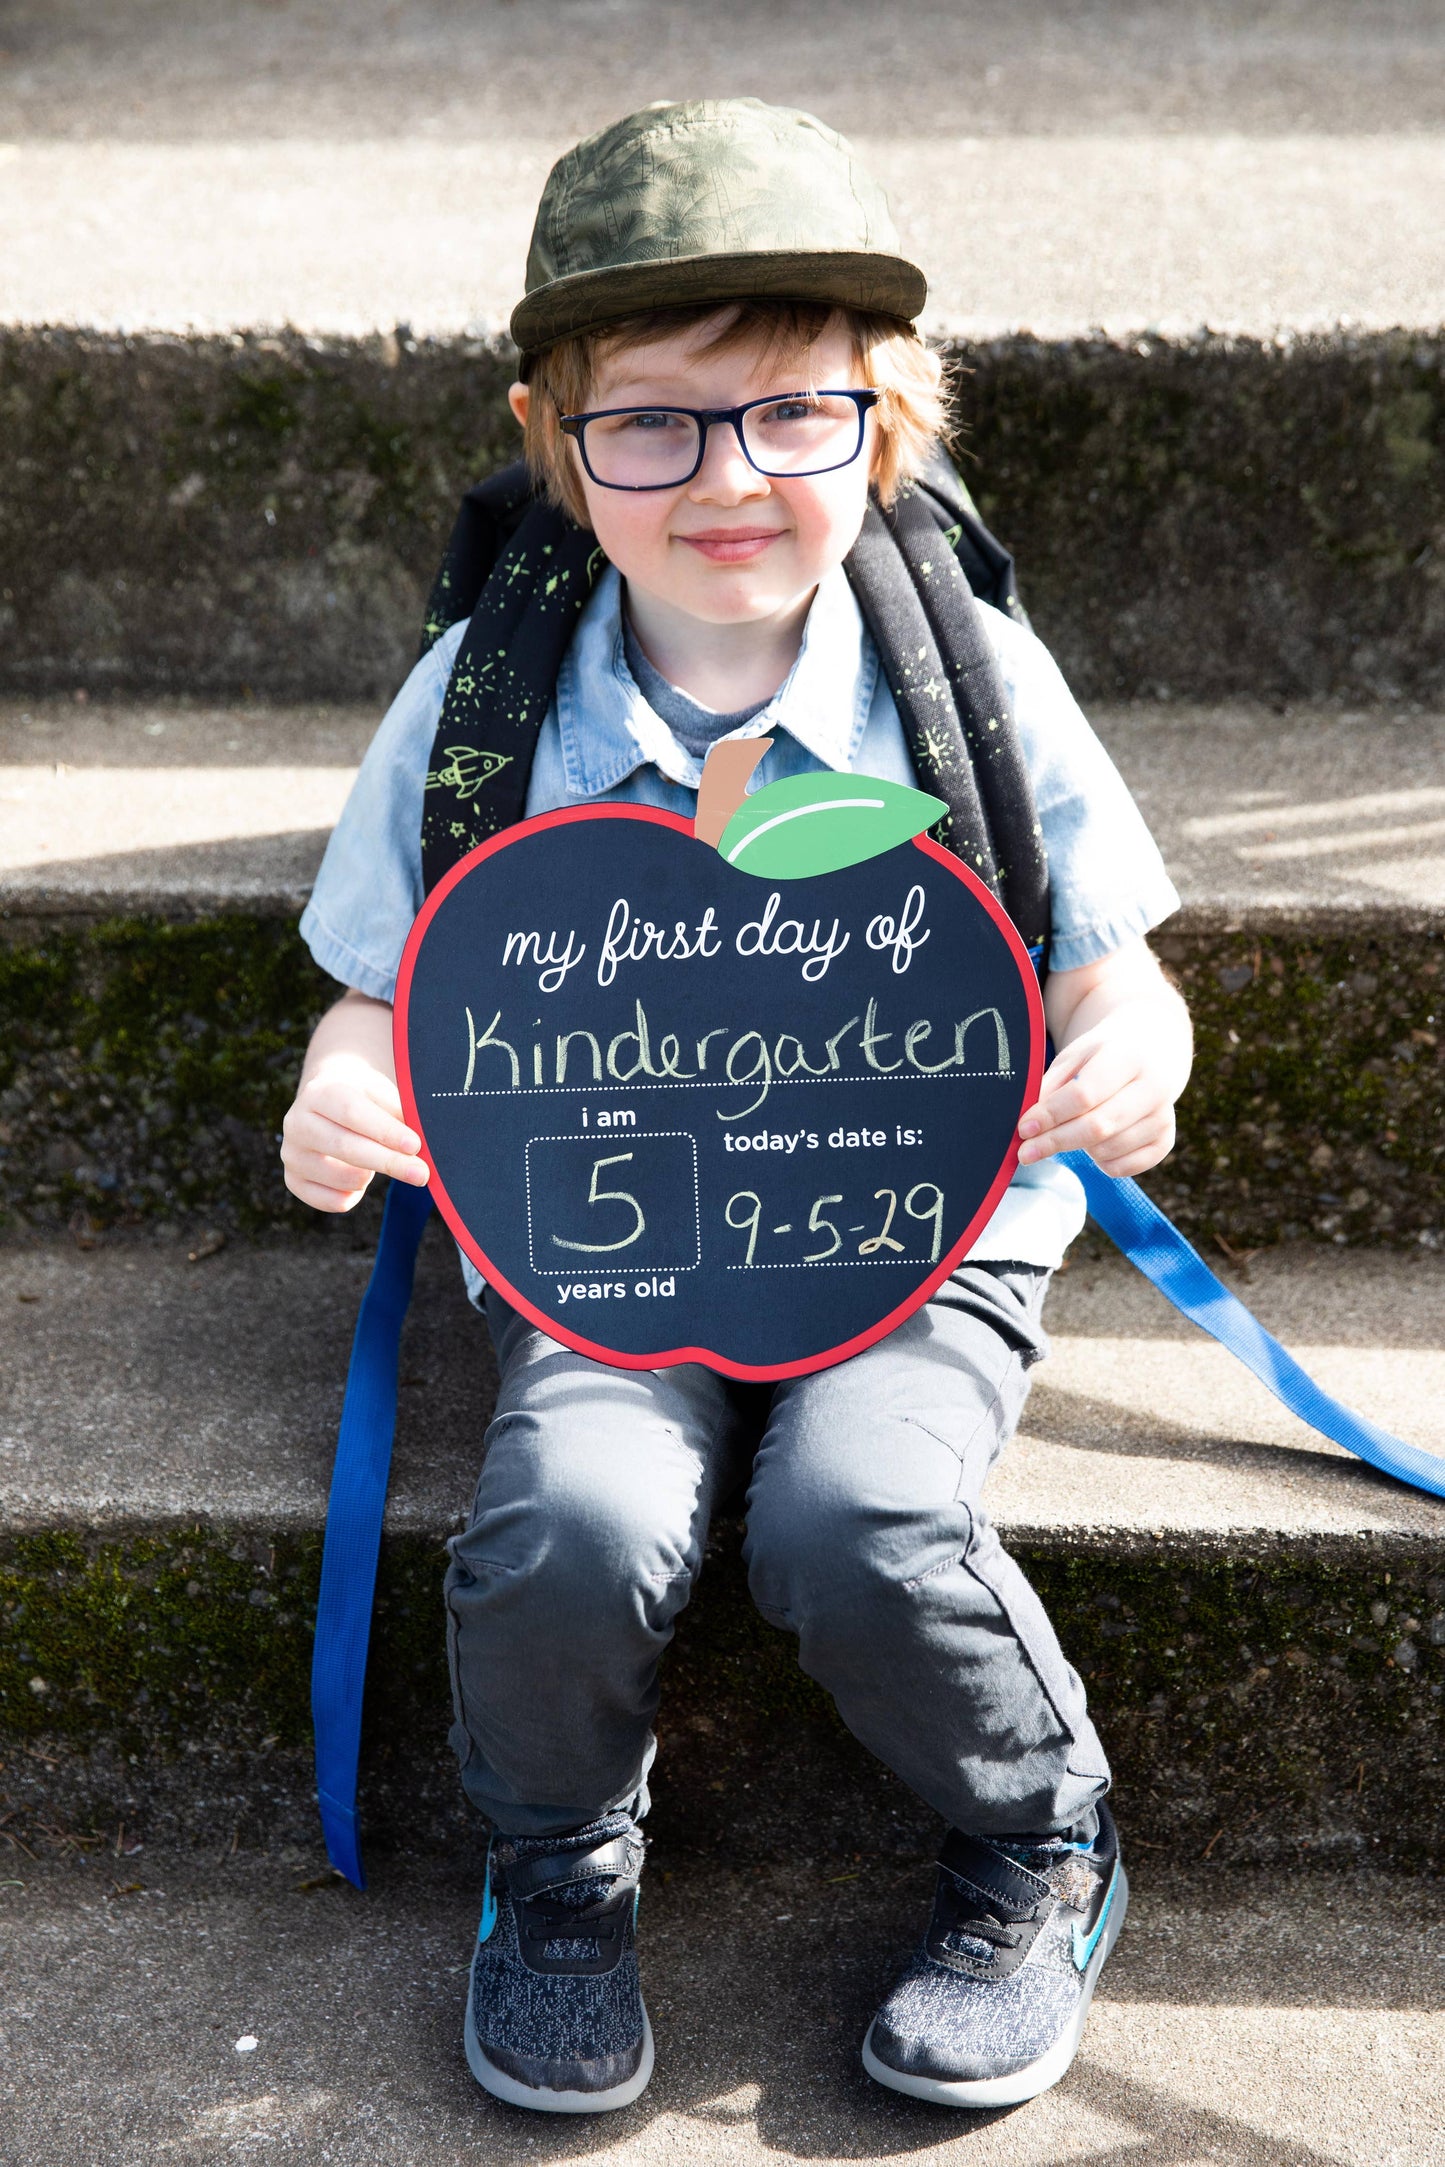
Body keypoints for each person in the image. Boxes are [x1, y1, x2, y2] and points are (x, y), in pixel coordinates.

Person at [281, 98, 1191, 2116]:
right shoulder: (484, 703)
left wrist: (1134, 1047)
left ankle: (1036, 1831)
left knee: (862, 1511)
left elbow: (1114, 965)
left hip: (918, 1225)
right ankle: (558, 1867)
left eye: (789, 417)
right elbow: (379, 990)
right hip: (599, 1228)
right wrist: (342, 1101)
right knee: (572, 1517)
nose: (723, 478)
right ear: (556, 434)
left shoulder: (970, 681)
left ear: (882, 425)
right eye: (654, 424)